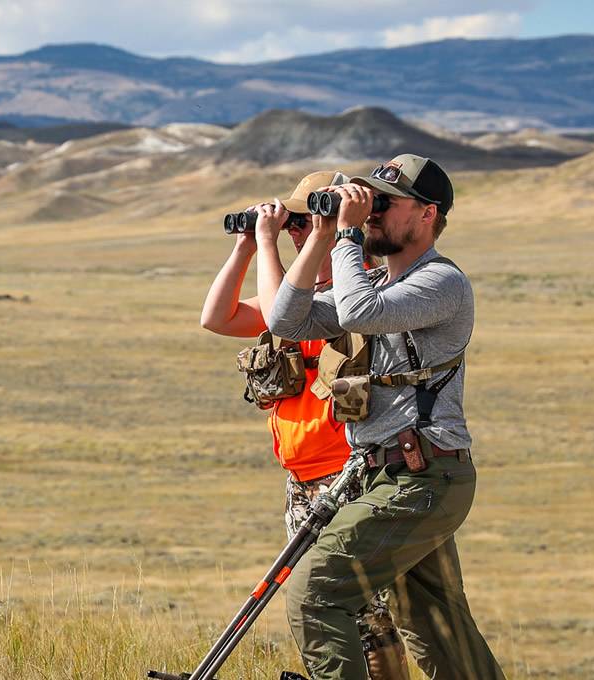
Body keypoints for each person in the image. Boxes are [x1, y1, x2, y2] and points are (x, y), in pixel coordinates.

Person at [267, 154, 505, 680]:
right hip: (390, 476)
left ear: (427, 214)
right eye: (369, 201)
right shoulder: (373, 282)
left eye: (385, 204)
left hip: (423, 476)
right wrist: (321, 234)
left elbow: (358, 314)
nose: (371, 212)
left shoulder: (442, 282)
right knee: (438, 628)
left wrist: (347, 236)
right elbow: (285, 319)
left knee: (314, 591)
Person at [198, 170, 388, 665]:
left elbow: (286, 314)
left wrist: (268, 242)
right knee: (315, 611)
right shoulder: (298, 294)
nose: (297, 231)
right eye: (293, 224)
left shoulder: (360, 292)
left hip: (349, 476)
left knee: (364, 617)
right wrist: (245, 246)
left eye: (305, 221)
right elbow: (216, 318)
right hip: (302, 481)